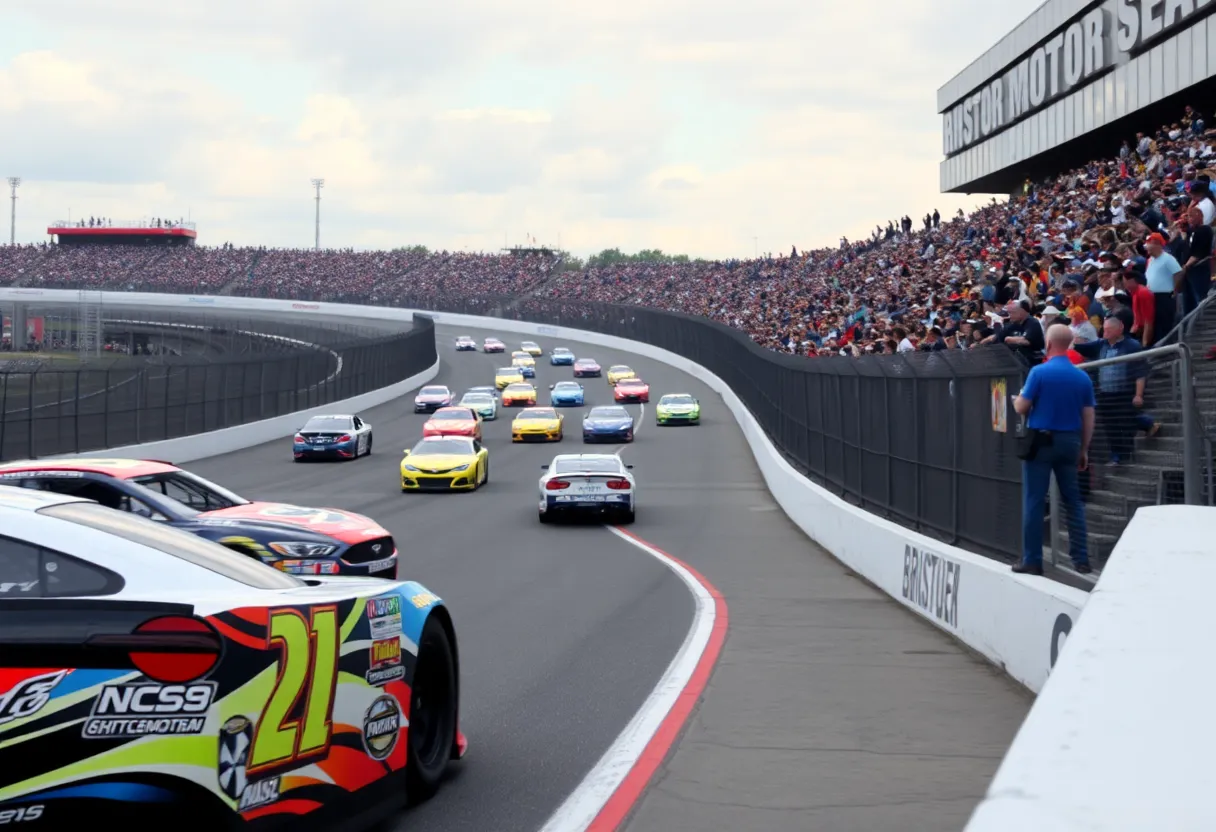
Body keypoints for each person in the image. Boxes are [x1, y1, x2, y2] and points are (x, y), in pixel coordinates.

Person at [1014, 324, 1095, 576]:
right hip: (1070, 441)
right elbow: (1089, 416)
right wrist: (1084, 449)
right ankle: (1081, 559)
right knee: (1073, 501)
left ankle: (1033, 560)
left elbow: (1021, 407)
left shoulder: (1039, 372)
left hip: (1042, 441)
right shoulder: (1082, 377)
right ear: (1070, 343)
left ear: (1048, 344)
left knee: (1034, 501)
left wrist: (1019, 398)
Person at [1074, 316, 1154, 465]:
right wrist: (1071, 341)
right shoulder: (1101, 344)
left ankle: (1126, 454)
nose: (1106, 333)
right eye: (1105, 330)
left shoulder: (1132, 346)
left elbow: (1140, 372)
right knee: (1110, 425)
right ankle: (1116, 454)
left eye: (1109, 330)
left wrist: (1138, 394)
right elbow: (1083, 348)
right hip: (1105, 394)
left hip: (1124, 392)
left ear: (1120, 329)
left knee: (1125, 423)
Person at [1145, 232, 1182, 342]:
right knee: (1155, 323)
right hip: (1152, 296)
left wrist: (1175, 290)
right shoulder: (1150, 260)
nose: (1147, 248)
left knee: (1165, 323)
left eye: (1149, 244)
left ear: (1157, 244)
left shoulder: (1168, 258)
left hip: (1165, 296)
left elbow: (1178, 273)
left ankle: (1168, 347)